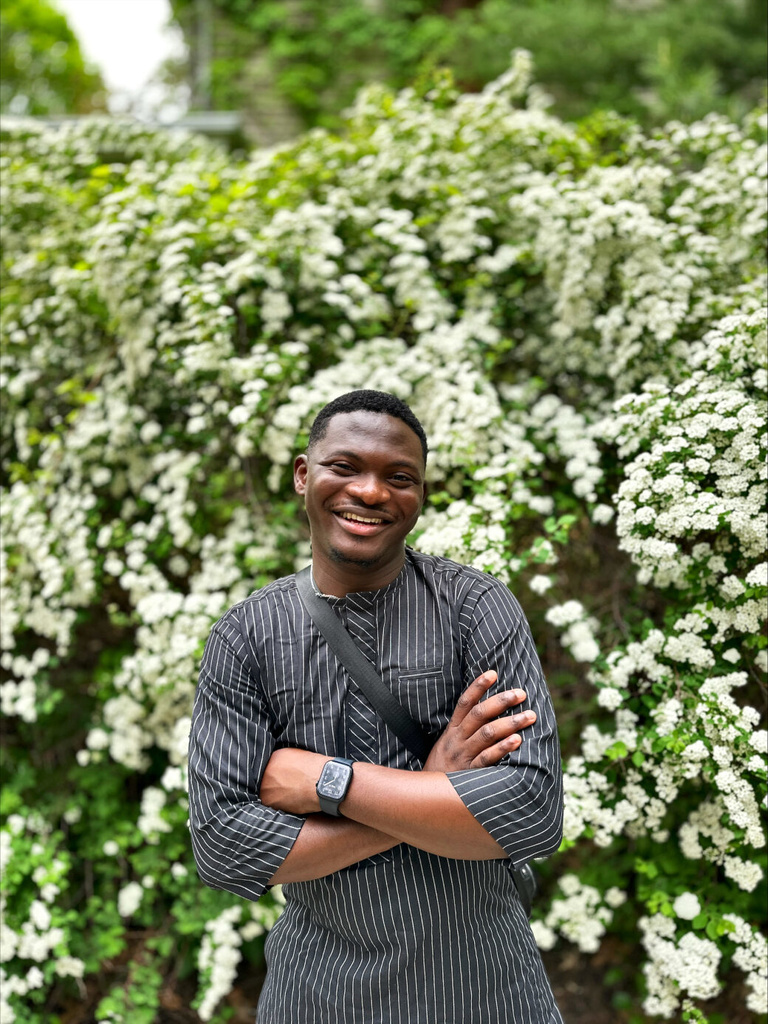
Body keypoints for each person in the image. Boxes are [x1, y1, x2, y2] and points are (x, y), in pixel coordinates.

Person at [188, 389, 564, 1023]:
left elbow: (530, 814)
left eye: (399, 477)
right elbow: (225, 847)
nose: (371, 492)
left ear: (419, 496)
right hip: (318, 998)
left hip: (487, 990)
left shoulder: (474, 608)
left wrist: (328, 782)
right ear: (304, 476)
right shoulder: (247, 636)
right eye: (345, 466)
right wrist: (431, 791)